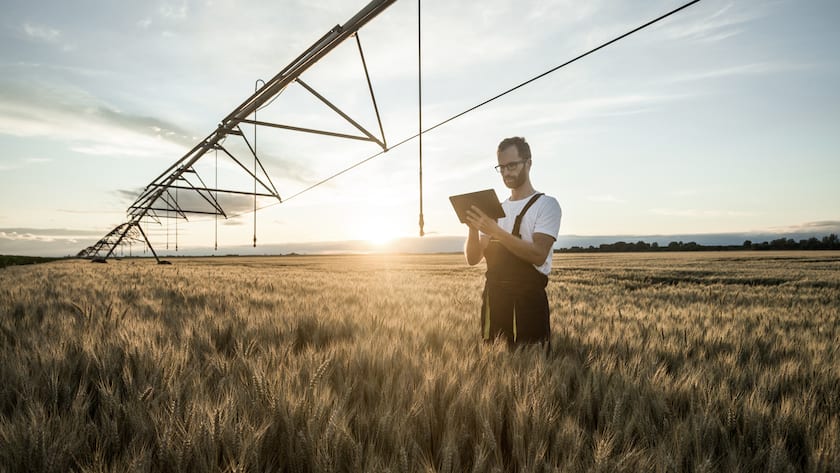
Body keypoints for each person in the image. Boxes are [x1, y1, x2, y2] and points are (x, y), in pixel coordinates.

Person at [464, 136, 562, 351]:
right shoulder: (495, 209)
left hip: (528, 303)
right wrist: (472, 226)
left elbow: (538, 254)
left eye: (512, 165)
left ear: (528, 163)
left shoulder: (546, 205)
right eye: (502, 167)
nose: (507, 172)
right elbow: (473, 258)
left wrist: (495, 230)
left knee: (532, 367)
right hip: (494, 302)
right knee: (494, 366)